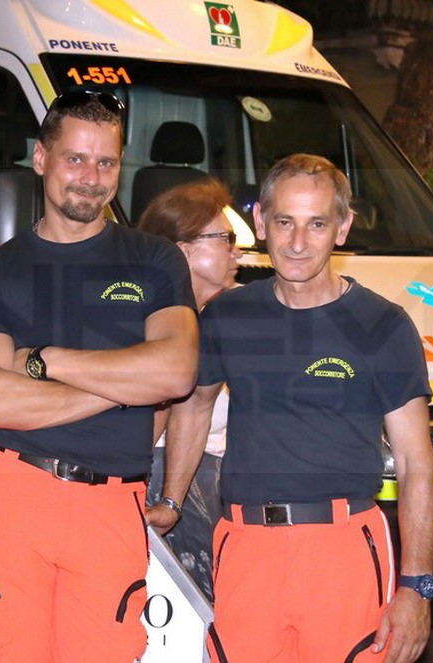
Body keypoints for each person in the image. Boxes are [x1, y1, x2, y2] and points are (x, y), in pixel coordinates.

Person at [157, 154, 433, 663]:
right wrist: (172, 503)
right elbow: (194, 407)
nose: (298, 242)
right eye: (284, 222)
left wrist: (417, 586)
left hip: (344, 551)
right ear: (261, 222)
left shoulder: (384, 326)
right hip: (245, 548)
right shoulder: (227, 315)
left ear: (343, 228)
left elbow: (417, 464)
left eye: (317, 224)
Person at [0, 90, 199, 662]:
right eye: (75, 159)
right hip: (11, 494)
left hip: (111, 503)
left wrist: (45, 360)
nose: (91, 177)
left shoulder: (156, 259)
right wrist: (125, 388)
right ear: (41, 158)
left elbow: (176, 371)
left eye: (106, 162)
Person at [139, 177, 241, 601]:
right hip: (172, 483)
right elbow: (149, 420)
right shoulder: (151, 322)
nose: (238, 252)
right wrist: (169, 501)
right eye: (226, 239)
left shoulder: (231, 315)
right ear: (183, 251)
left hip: (218, 488)